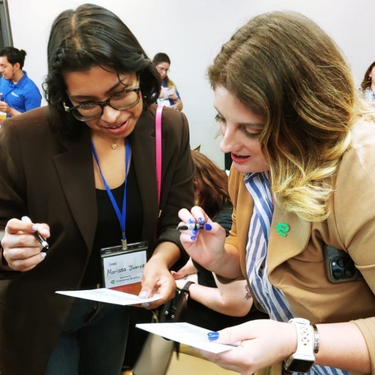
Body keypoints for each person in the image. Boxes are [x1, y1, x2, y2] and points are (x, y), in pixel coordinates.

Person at [0, 4, 194, 375]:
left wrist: (161, 260)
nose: (111, 116)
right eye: (86, 104)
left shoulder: (167, 130)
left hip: (116, 308)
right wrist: (8, 247)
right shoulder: (24, 137)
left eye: (121, 93)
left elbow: (177, 220)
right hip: (43, 312)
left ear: (141, 73)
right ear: (64, 98)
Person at [178, 10, 375, 375]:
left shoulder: (363, 172)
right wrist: (221, 258)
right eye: (222, 119)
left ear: (308, 118)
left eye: (251, 130)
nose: (226, 141)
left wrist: (296, 340)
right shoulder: (251, 166)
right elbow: (259, 255)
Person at [173, 150, 267, 331]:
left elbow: (236, 303)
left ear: (195, 188)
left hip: (225, 334)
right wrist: (186, 269)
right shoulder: (224, 211)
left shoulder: (220, 224)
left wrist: (182, 285)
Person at [0, 46, 42, 117]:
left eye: (4, 66)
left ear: (16, 66)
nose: (1, 70)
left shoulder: (31, 91)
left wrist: (10, 111)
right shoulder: (4, 79)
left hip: (16, 127)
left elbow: (31, 121)